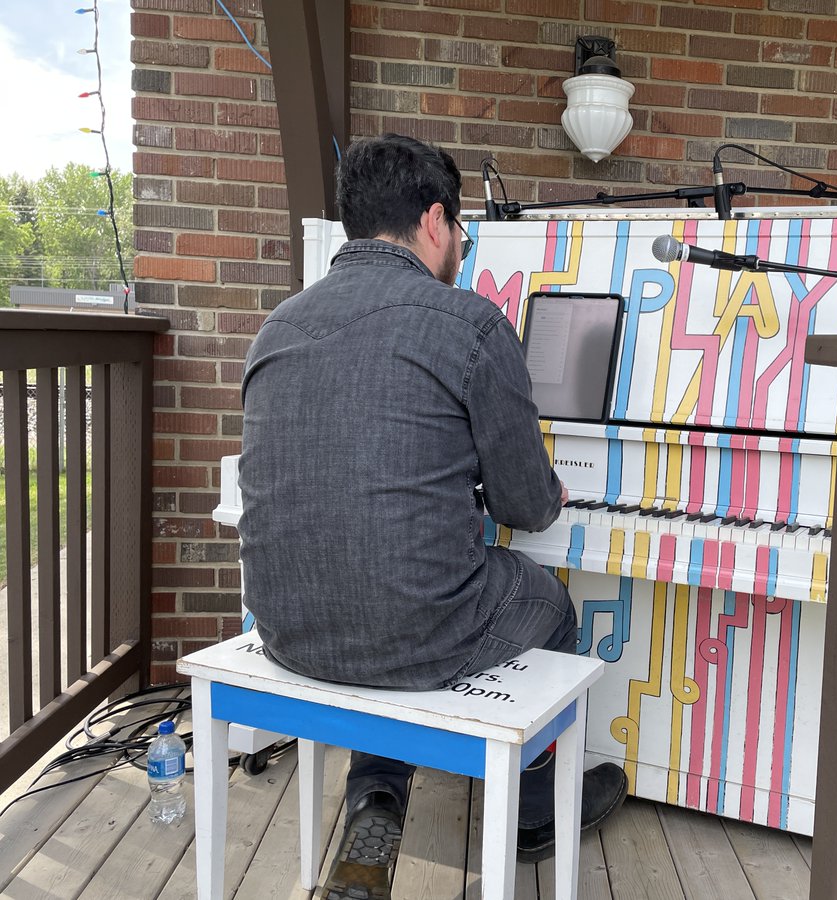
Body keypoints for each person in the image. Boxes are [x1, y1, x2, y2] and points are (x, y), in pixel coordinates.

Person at [238, 133, 627, 900]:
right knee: (547, 601)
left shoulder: (275, 327)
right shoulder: (471, 324)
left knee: (390, 587)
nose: (461, 250)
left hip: (285, 628)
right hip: (404, 633)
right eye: (463, 234)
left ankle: (376, 798)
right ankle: (536, 813)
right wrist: (540, 490)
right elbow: (524, 506)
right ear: (436, 221)